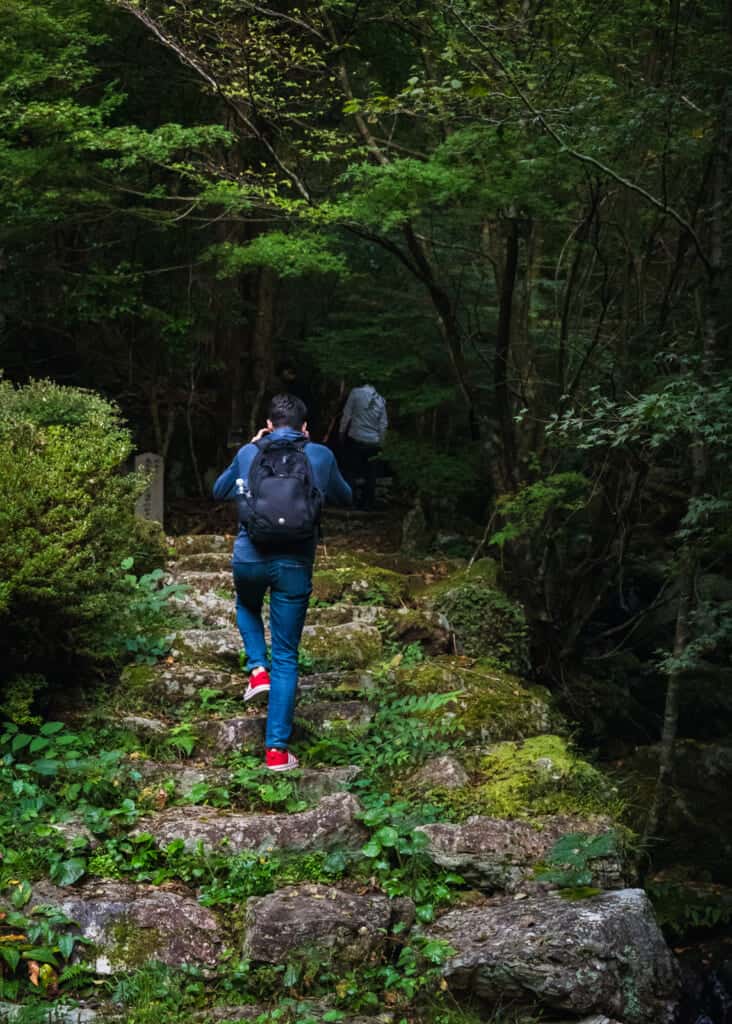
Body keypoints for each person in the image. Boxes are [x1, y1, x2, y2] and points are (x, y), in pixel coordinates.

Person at [213, 393, 352, 771]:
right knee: (287, 656)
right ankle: (276, 751)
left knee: (246, 605)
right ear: (305, 427)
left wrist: (254, 447)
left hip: (249, 556)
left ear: (270, 424)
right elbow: (347, 495)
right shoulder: (320, 455)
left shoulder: (249, 451)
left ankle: (257, 669)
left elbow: (219, 490)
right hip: (295, 561)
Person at [339, 383, 388, 509]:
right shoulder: (381, 399)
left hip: (355, 438)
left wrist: (341, 432)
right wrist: (382, 443)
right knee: (370, 474)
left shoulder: (355, 393)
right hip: (373, 442)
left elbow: (346, 415)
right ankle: (368, 503)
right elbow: (383, 425)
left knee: (351, 471)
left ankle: (352, 501)